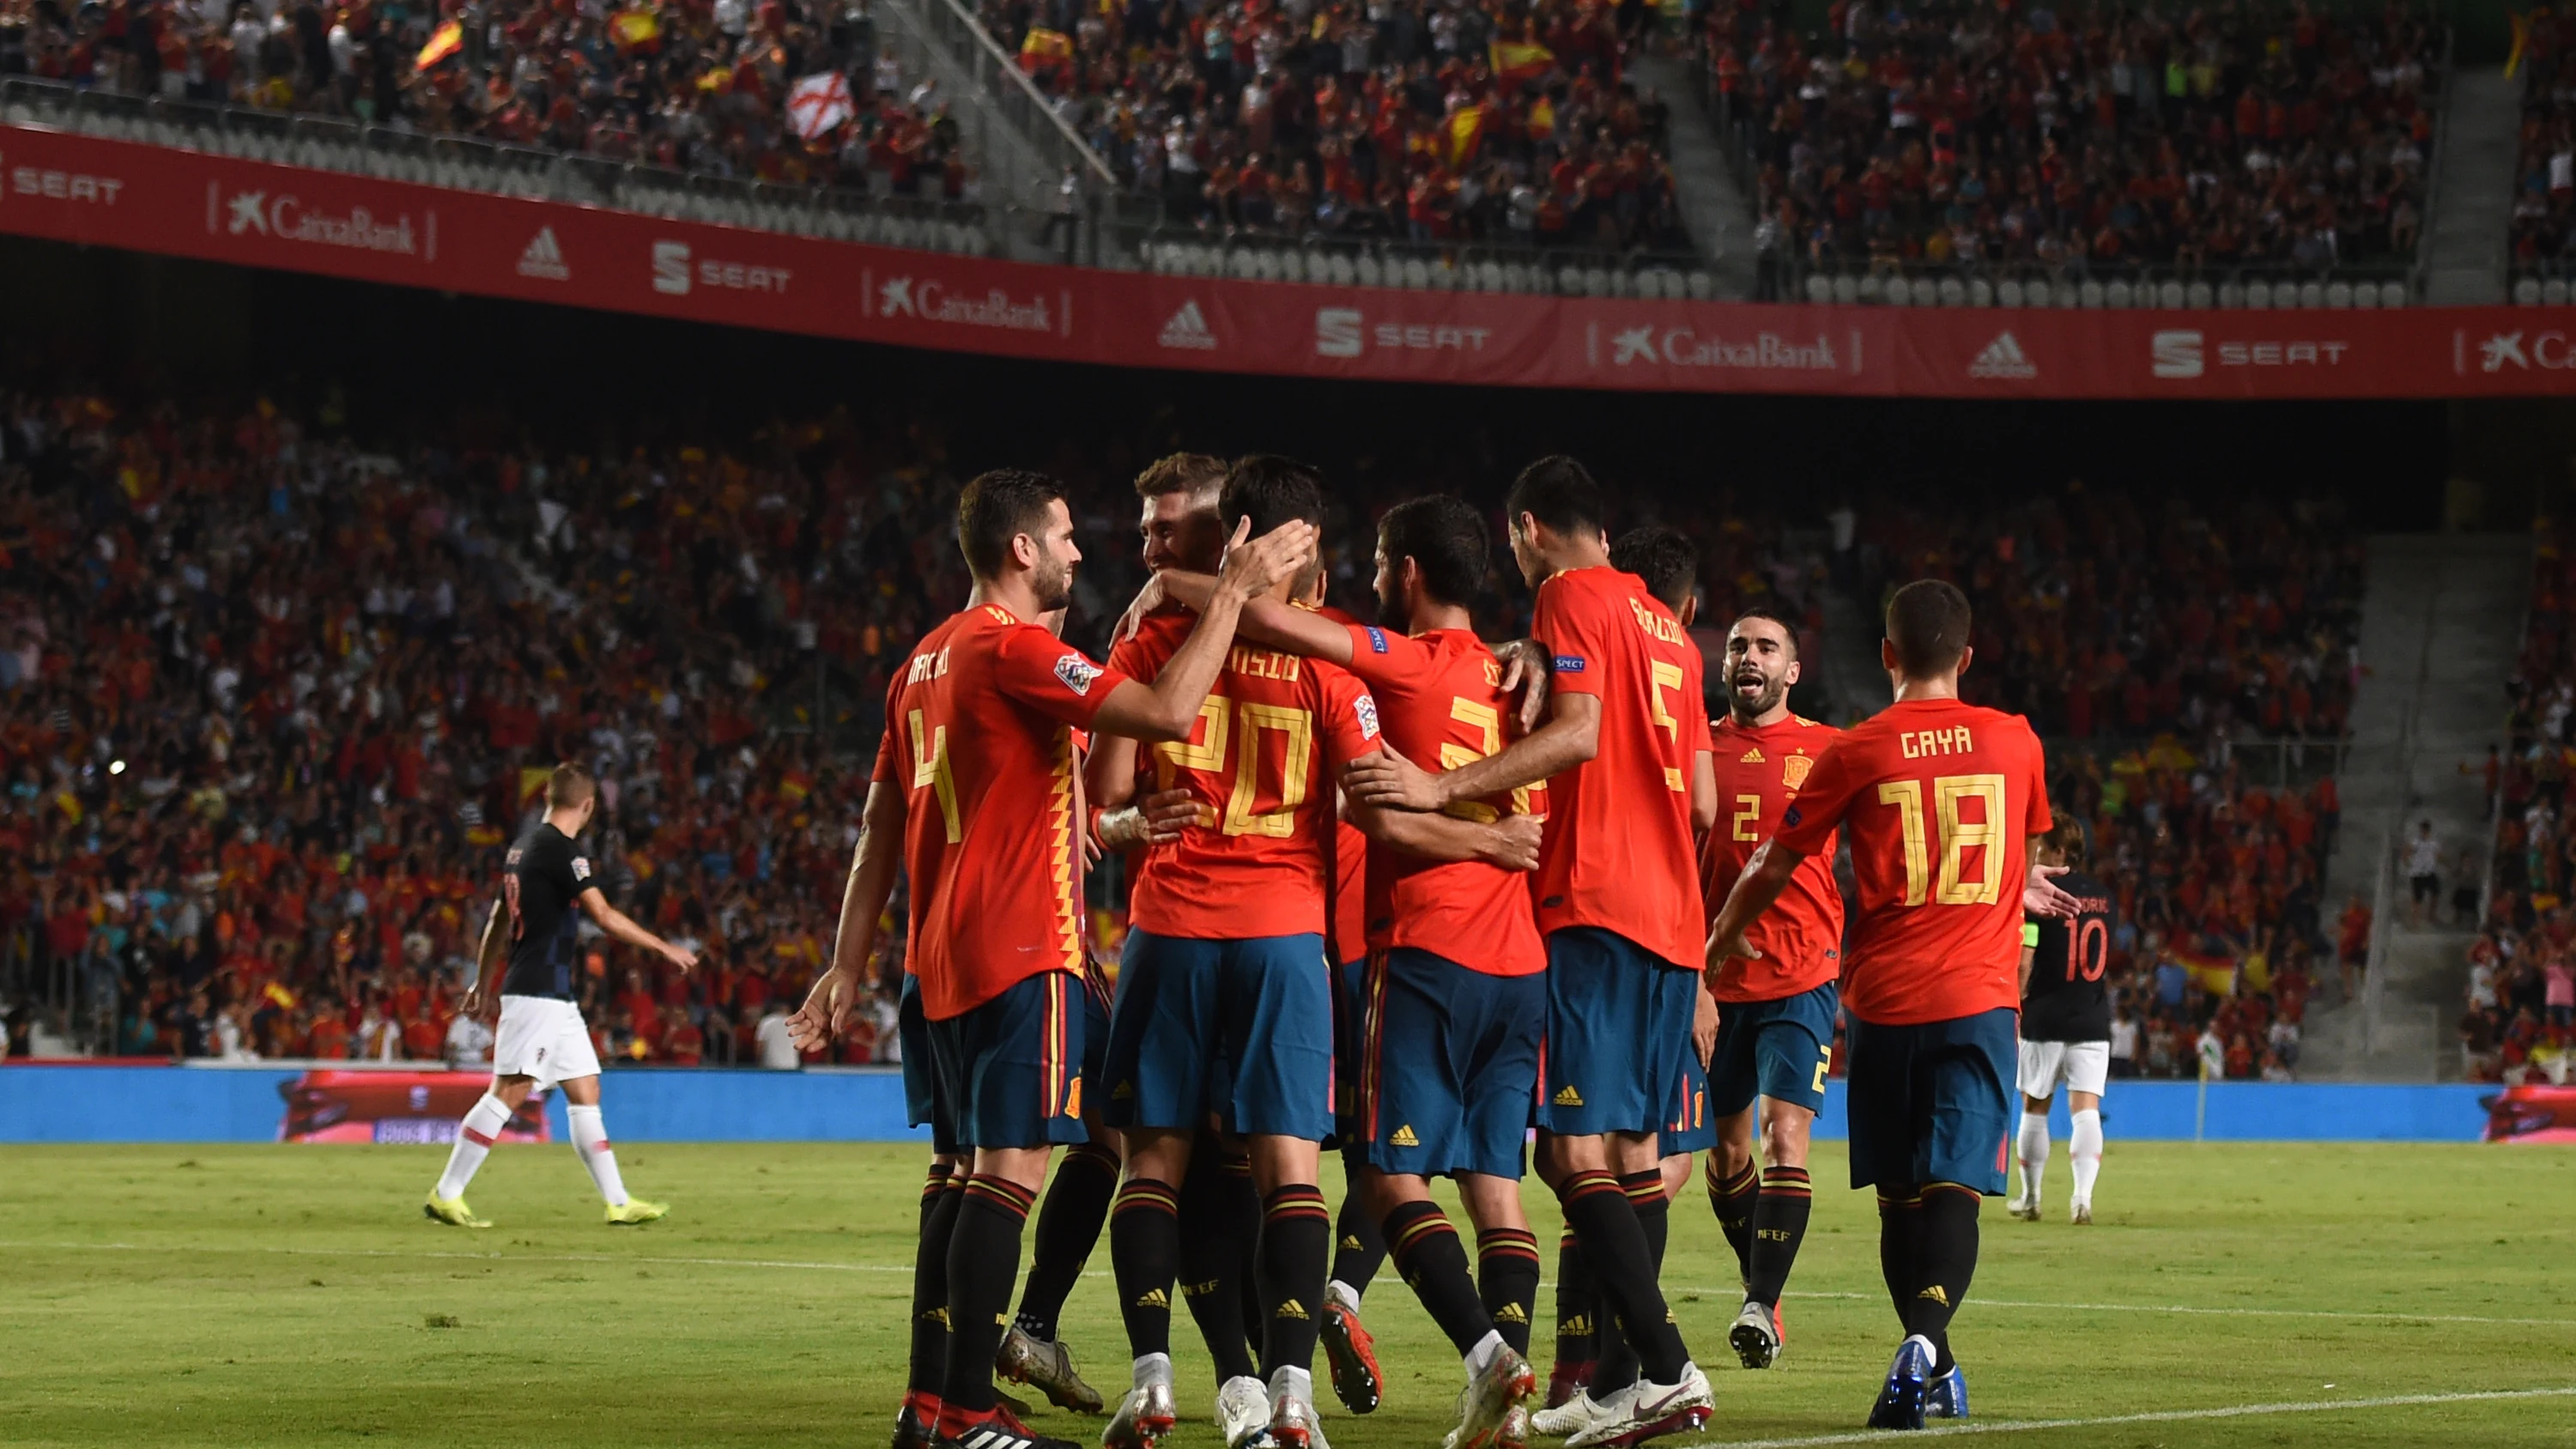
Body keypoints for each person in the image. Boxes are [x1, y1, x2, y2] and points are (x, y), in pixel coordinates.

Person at [785, 468, 1314, 1449]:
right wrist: (1233, 591)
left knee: (959, 1174)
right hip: (1024, 951)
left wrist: (845, 965)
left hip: (931, 961)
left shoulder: (922, 662)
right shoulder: (1016, 646)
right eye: (1066, 535)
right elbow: (1161, 713)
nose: (1080, 550)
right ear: (1022, 548)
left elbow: (878, 825)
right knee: (1009, 1174)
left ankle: (929, 1403)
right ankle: (974, 1412)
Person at [1143, 493, 1556, 1449]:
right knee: (1497, 1185)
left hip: (1422, 948)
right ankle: (1507, 1398)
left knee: (1380, 1176)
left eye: (1377, 561)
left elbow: (1260, 611)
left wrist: (1169, 580)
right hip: (1521, 961)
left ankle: (1487, 1353)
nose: (1371, 576)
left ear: (1404, 572)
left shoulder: (1393, 656)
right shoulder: (1515, 680)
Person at [1348, 456, 1718, 1448]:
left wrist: (1440, 785)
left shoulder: (1564, 594)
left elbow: (1581, 730)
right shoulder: (1671, 632)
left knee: (1566, 1151)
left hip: (1593, 904)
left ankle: (1671, 1371)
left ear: (1525, 530)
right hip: (1672, 920)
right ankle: (1617, 1384)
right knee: (1629, 1159)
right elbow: (1705, 802)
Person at [1706, 579, 2077, 1432]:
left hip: (1877, 1005)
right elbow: (2013, 850)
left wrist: (1716, 943)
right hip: (1978, 999)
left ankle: (1933, 1357)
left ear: (1885, 654)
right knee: (1957, 1186)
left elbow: (1772, 860)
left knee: (1897, 1195)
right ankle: (1924, 1340)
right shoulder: (2016, 741)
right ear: (1968, 656)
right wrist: (2017, 889)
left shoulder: (1858, 748)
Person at [1090, 456, 1384, 1449]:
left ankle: (1153, 1377)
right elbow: (1372, 798)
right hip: (1285, 932)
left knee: (1152, 1165)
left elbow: (1104, 793)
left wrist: (1136, 821)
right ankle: (1293, 1391)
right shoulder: (1327, 660)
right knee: (1290, 1174)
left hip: (1170, 930)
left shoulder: (1153, 634)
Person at [424, 763, 700, 1229]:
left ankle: (617, 1201)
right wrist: (662, 947)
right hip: (537, 991)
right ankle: (447, 1193)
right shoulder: (562, 852)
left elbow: (495, 921)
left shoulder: (521, 847)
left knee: (585, 1086)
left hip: (552, 993)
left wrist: (482, 980)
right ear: (588, 806)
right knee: (511, 1089)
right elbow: (605, 916)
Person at [1693, 591, 1845, 1373]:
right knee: (1725, 1155)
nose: (1747, 657)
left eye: (1764, 648)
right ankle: (1763, 1285)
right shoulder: (1693, 746)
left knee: (1787, 1138)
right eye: (1737, 647)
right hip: (1712, 982)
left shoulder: (1830, 748)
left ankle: (1759, 1301)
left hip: (1801, 975)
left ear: (1791, 668)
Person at [2008, 820, 2114, 1226]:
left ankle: (2031, 1198)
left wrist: (2015, 999)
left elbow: (2026, 956)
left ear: (2060, 853)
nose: (2036, 854)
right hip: (2091, 1015)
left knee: (2035, 1107)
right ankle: (2082, 1199)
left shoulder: (2041, 898)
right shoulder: (2106, 897)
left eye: (2044, 848)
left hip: (2044, 1015)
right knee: (2086, 1108)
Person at [2405, 821, 2440, 928]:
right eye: (2423, 831)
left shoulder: (2433, 843)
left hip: (2429, 872)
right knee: (2418, 898)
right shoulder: (2416, 842)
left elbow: (2438, 855)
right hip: (2418, 874)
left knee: (2436, 892)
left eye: (2426, 831)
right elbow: (2406, 852)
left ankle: (2431, 915)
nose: (2424, 833)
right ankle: (2415, 921)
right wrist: (2408, 864)